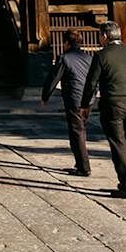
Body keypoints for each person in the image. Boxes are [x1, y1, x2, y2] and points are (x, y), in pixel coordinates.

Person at [78, 20, 126, 199]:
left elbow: (91, 83)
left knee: (117, 144)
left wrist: (85, 105)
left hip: (112, 103)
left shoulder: (102, 55)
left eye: (100, 36)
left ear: (104, 36)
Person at [40, 29, 96, 176]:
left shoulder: (64, 58)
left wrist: (45, 96)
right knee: (81, 130)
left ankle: (84, 167)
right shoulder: (89, 58)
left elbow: (53, 78)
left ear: (66, 43)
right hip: (88, 99)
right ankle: (80, 164)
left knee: (76, 132)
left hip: (74, 99)